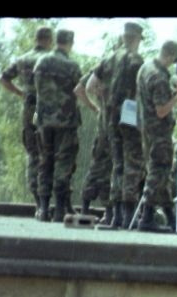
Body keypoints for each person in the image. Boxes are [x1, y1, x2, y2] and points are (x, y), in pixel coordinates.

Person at [0, 26, 54, 218]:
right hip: (50, 111)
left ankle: (39, 204)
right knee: (50, 153)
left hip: (29, 109)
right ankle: (49, 204)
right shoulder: (50, 59)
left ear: (35, 39)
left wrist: (20, 93)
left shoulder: (22, 59)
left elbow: (3, 79)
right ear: (49, 40)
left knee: (33, 153)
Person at [136, 40, 177, 231]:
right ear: (171, 56)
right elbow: (161, 111)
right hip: (158, 131)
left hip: (147, 129)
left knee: (164, 173)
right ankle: (146, 217)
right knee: (158, 171)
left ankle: (171, 218)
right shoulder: (158, 77)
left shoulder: (145, 68)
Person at [32, 30, 82, 222]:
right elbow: (79, 89)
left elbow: (35, 88)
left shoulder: (41, 62)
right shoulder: (71, 66)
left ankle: (44, 209)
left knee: (45, 162)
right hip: (65, 121)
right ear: (69, 42)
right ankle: (60, 209)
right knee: (63, 162)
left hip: (44, 121)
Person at [103, 22, 146, 230]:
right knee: (133, 164)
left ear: (123, 37)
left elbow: (92, 85)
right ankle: (129, 215)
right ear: (136, 38)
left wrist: (105, 105)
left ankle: (115, 216)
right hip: (130, 119)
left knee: (117, 164)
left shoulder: (111, 58)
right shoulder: (138, 61)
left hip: (111, 117)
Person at [74, 37, 120, 221]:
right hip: (114, 124)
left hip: (104, 123)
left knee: (98, 165)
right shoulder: (117, 69)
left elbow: (79, 89)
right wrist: (96, 107)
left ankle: (86, 208)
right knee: (108, 167)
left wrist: (96, 108)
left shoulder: (101, 68)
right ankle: (107, 212)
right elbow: (80, 89)